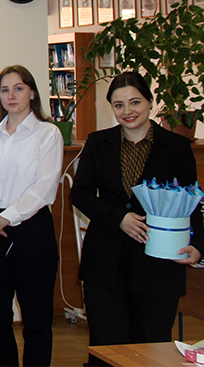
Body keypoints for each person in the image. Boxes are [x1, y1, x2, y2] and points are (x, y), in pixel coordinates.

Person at [71, 72, 203, 366]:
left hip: (158, 266)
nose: (127, 111)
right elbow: (80, 193)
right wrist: (119, 218)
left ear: (150, 102)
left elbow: (190, 201)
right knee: (107, 350)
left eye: (135, 102)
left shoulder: (177, 147)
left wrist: (198, 246)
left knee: (151, 350)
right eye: (118, 105)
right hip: (105, 264)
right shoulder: (98, 142)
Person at [0, 65, 62, 366]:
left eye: (18, 88)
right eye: (4, 90)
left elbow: (44, 188)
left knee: (37, 319)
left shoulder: (47, 133)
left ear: (32, 93)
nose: (11, 96)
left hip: (31, 228)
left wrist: (4, 219)